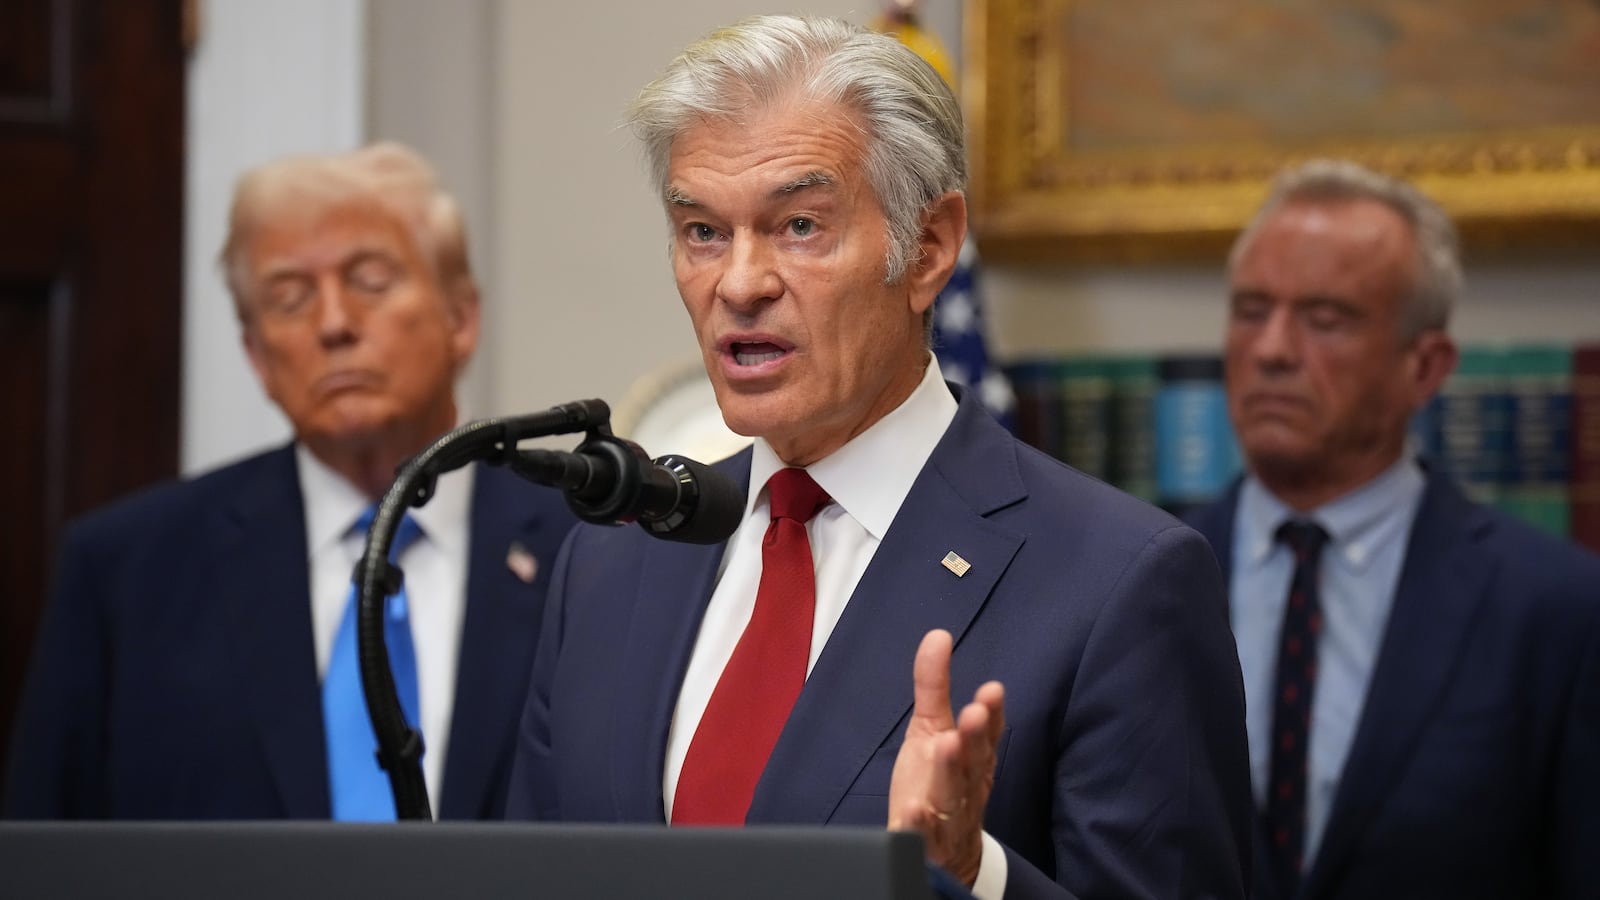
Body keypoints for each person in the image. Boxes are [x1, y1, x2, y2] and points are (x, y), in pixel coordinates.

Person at [505, 16, 1251, 899]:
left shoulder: (1119, 583)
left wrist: (975, 876)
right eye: (703, 231)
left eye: (800, 225)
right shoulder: (610, 564)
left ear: (929, 248)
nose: (738, 284)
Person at [4, 143, 577, 820]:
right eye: (289, 297)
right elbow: (44, 854)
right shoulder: (129, 574)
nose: (333, 324)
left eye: (369, 280)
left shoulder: (592, 551)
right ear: (257, 356)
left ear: (461, 318)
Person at [1185, 158, 1600, 900]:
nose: (1273, 350)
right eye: (1251, 310)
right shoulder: (1139, 578)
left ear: (1426, 366)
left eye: (1325, 320)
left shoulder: (1559, 611)